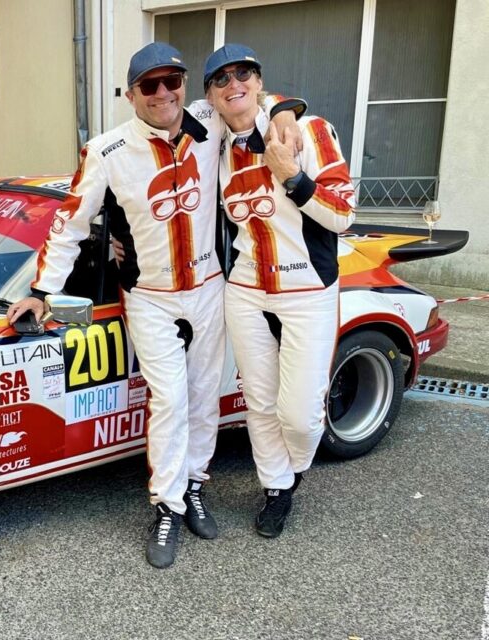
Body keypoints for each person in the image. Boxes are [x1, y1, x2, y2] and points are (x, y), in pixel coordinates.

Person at [6, 42, 305, 569]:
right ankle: (167, 505)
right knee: (168, 399)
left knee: (204, 396)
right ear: (131, 95)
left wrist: (284, 111)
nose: (163, 93)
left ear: (185, 85)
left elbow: (251, 98)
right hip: (149, 297)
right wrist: (42, 291)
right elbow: (70, 224)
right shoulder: (106, 151)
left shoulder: (209, 119)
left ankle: (194, 486)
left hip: (209, 287)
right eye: (150, 85)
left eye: (173, 81)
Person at [204, 44, 355, 537]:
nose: (233, 84)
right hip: (246, 289)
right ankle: (276, 489)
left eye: (243, 73)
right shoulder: (215, 144)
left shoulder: (309, 130)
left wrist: (292, 175)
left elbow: (343, 215)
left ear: (259, 80)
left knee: (301, 415)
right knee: (259, 401)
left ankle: (294, 469)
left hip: (308, 286)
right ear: (211, 96)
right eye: (221, 79)